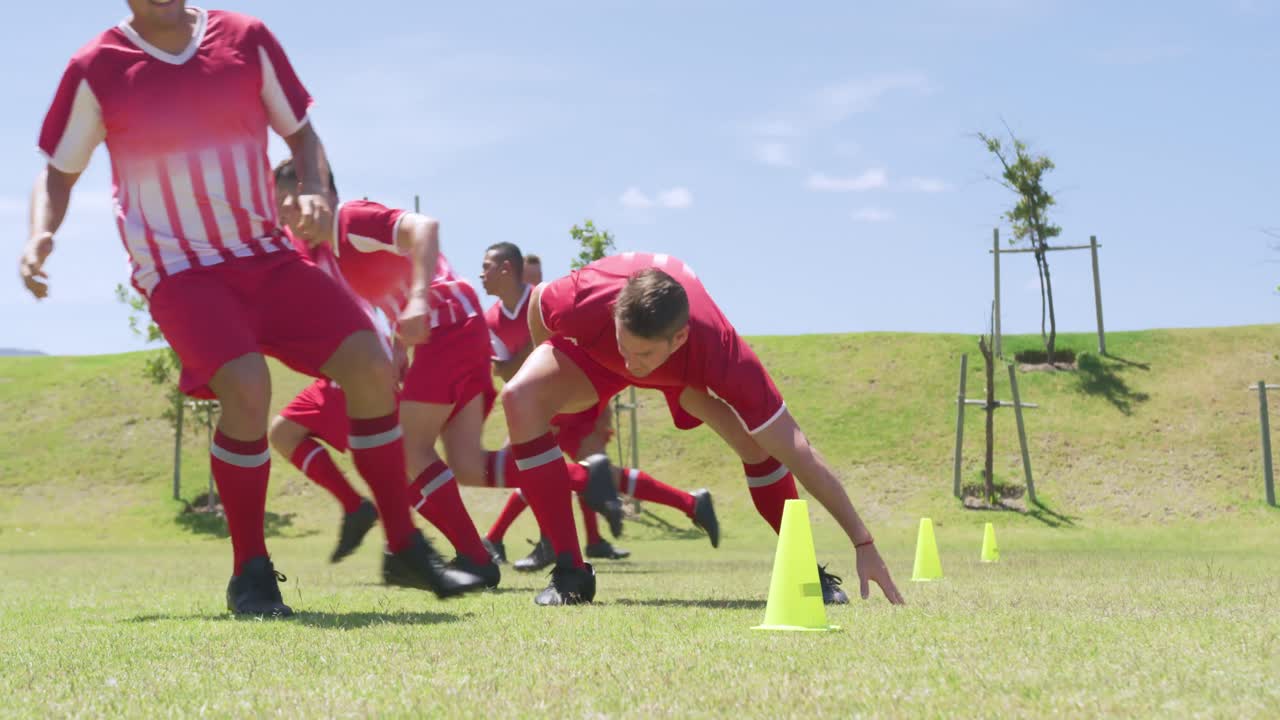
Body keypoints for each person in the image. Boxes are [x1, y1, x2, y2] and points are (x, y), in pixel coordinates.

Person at [19, 2, 481, 617]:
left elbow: (301, 132)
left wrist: (315, 189)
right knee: (245, 383)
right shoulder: (96, 67)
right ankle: (251, 574)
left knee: (371, 366)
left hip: (266, 255)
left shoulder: (245, 38)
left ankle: (403, 547)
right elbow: (57, 171)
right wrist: (41, 233)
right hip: (180, 269)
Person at [499, 252, 906, 606]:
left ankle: (805, 570)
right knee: (520, 398)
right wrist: (553, 387)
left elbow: (797, 448)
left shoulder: (720, 351)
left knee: (758, 446)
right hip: (595, 351)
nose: (632, 363)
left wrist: (863, 542)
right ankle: (571, 573)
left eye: (642, 354)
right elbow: (538, 301)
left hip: (685, 376)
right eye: (626, 346)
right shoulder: (584, 301)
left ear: (679, 339)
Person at [268, 158, 502, 587]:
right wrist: (396, 345)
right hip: (442, 330)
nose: (291, 221)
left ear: (324, 195)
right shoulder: (320, 254)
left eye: (294, 207)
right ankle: (574, 478)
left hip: (446, 318)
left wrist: (416, 302)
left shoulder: (352, 219)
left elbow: (425, 228)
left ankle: (467, 556)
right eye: (282, 213)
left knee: (406, 451)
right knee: (463, 461)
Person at [478, 242, 717, 571]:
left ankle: (510, 539)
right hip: (541, 403)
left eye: (533, 276)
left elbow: (588, 352)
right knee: (573, 474)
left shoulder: (548, 300)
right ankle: (682, 505)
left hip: (571, 400)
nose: (482, 274)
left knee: (533, 469)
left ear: (510, 270)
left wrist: (597, 403)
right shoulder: (494, 319)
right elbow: (506, 370)